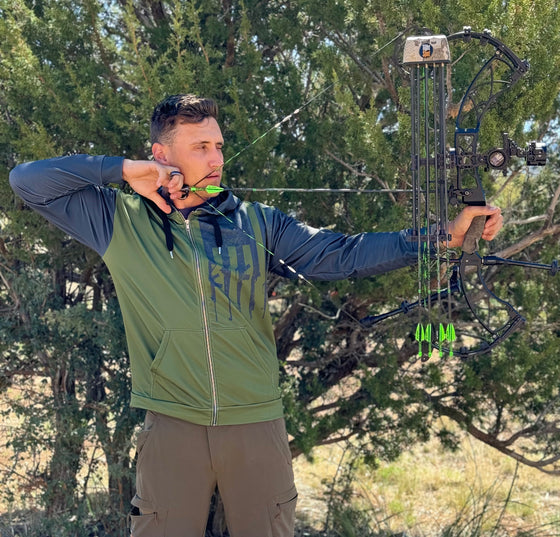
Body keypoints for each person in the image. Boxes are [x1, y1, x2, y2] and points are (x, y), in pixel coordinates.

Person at [9, 94, 503, 537]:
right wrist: (123, 170)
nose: (216, 158)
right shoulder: (118, 219)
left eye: (219, 145)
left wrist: (444, 236)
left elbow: (342, 253)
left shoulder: (255, 222)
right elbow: (26, 181)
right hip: (171, 422)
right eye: (200, 146)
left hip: (257, 422)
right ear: (162, 154)